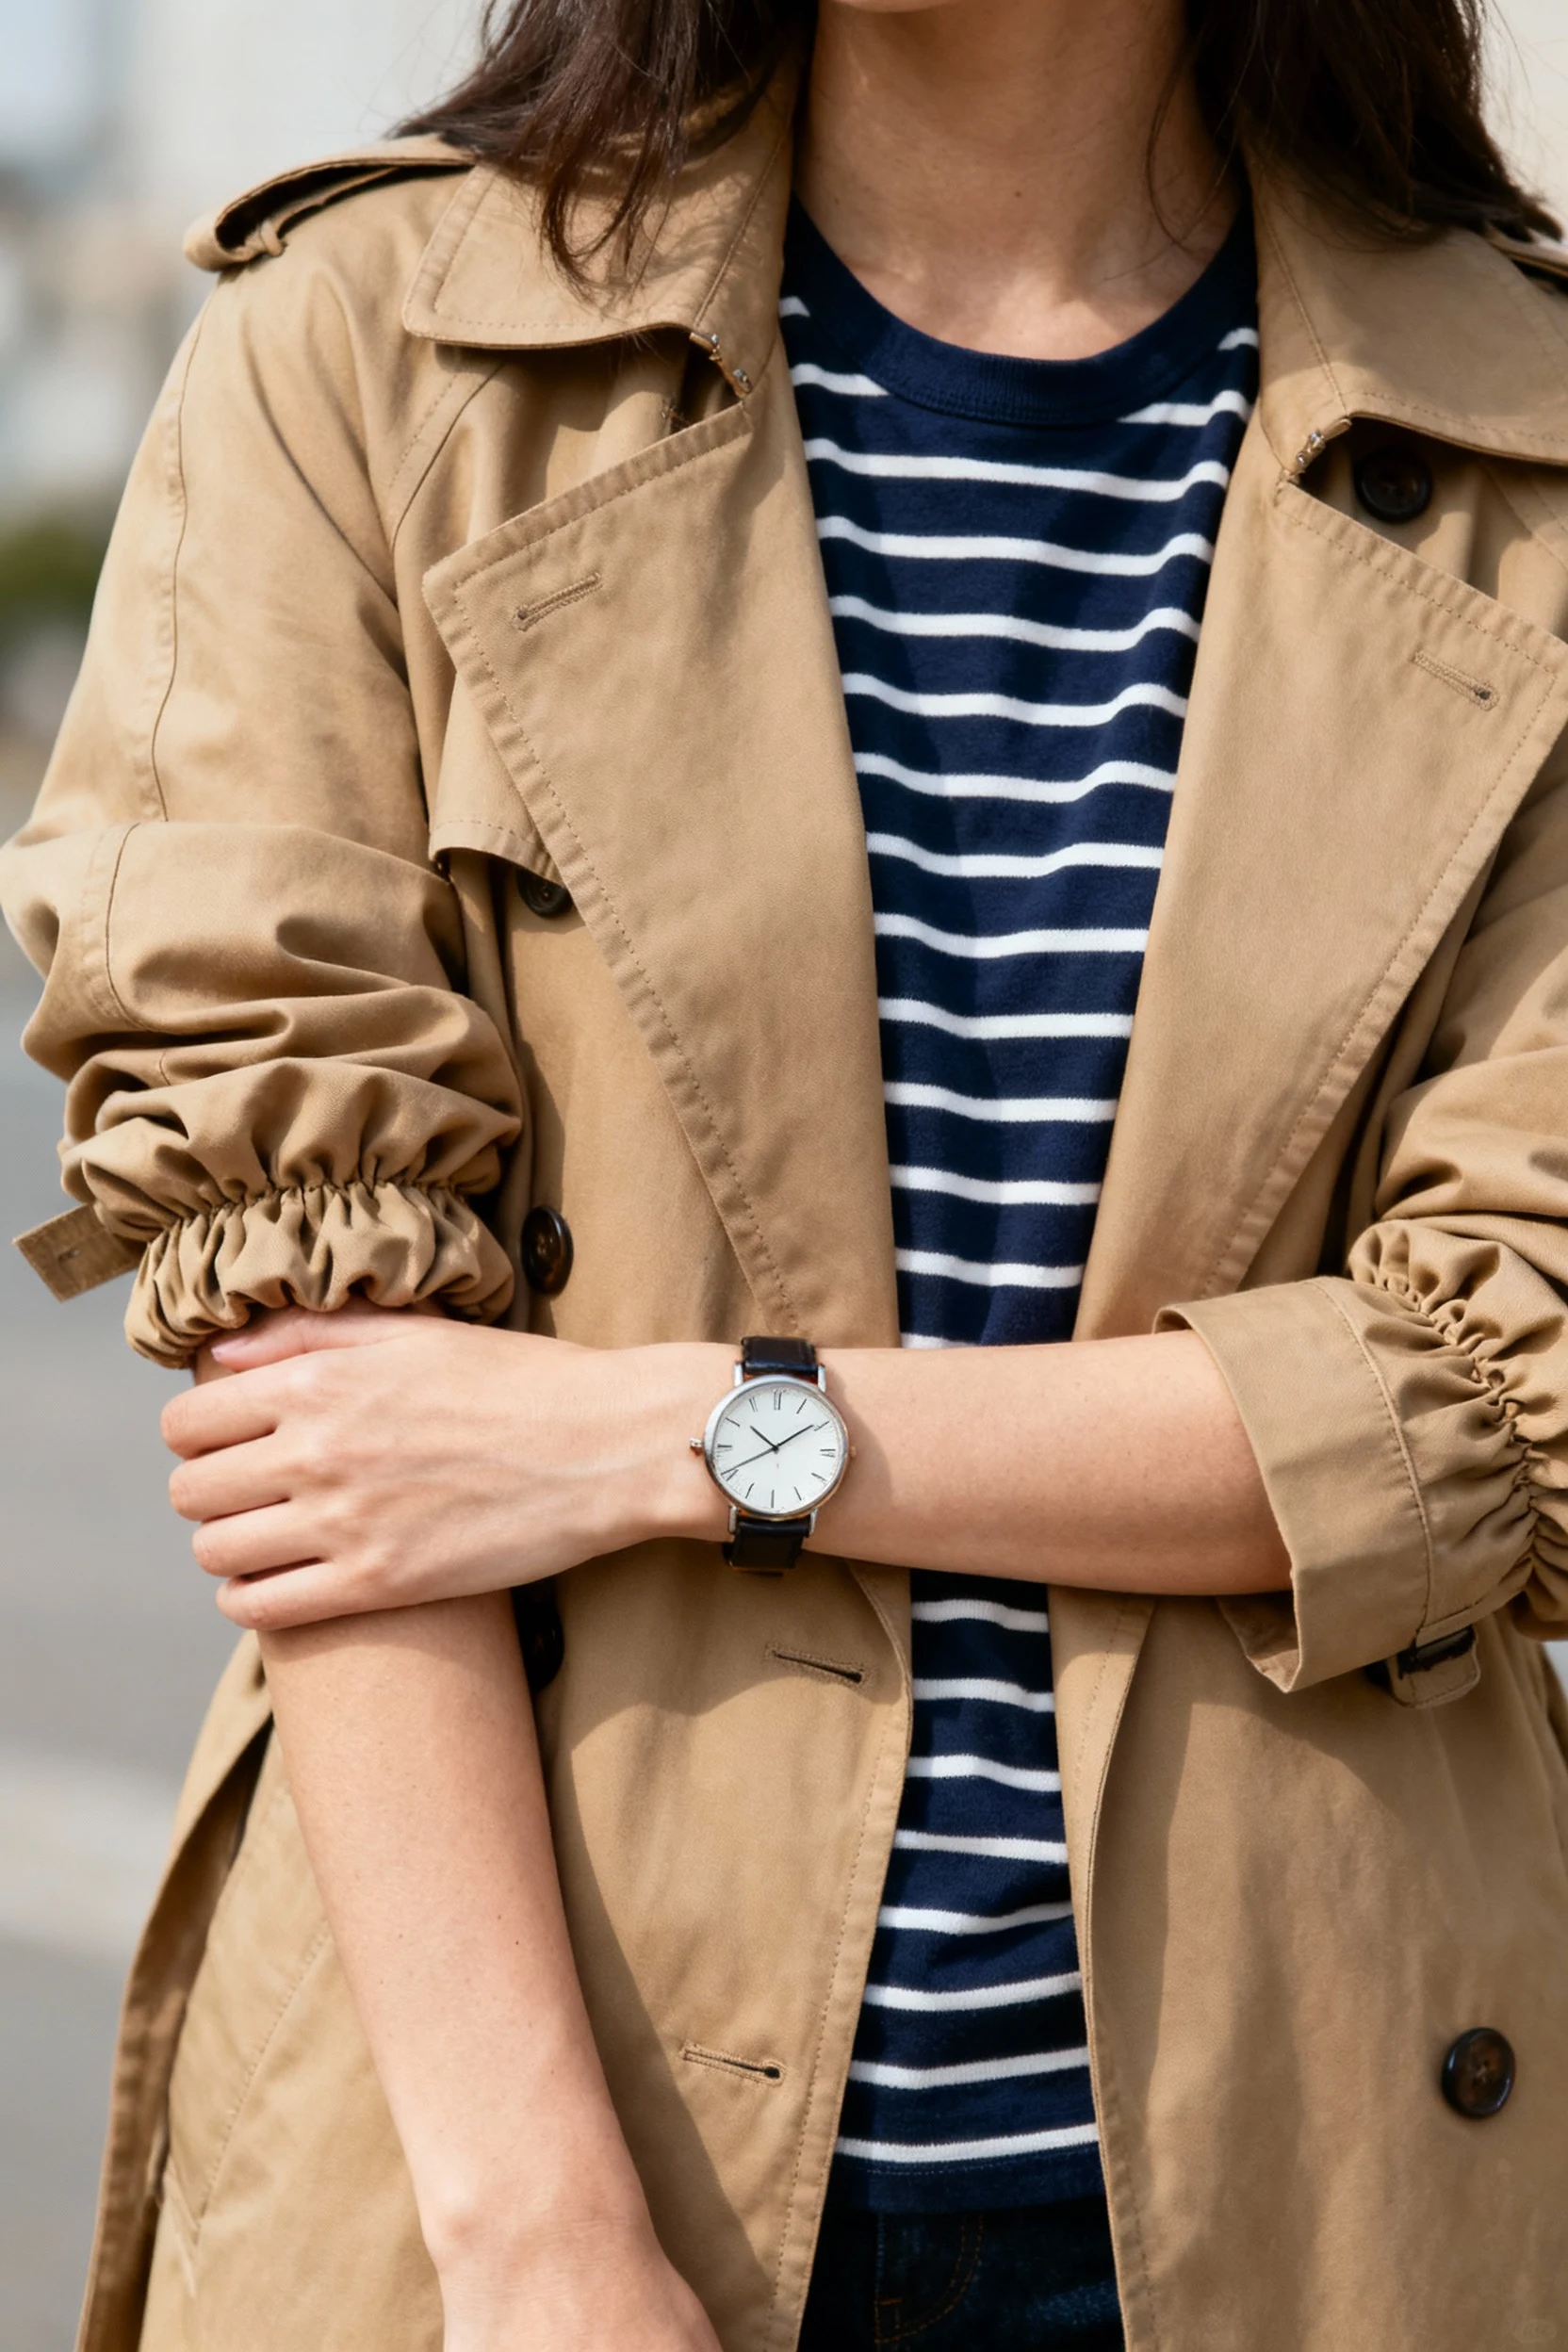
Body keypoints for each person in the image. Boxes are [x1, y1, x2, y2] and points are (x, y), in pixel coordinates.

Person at [6, 0, 1568, 2344]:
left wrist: (671, 1435)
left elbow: (1506, 1400)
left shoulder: (1527, 434)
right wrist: (535, 2231)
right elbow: (330, 1391)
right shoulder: (371, 354)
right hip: (519, 2156)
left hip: (1328, 2177)